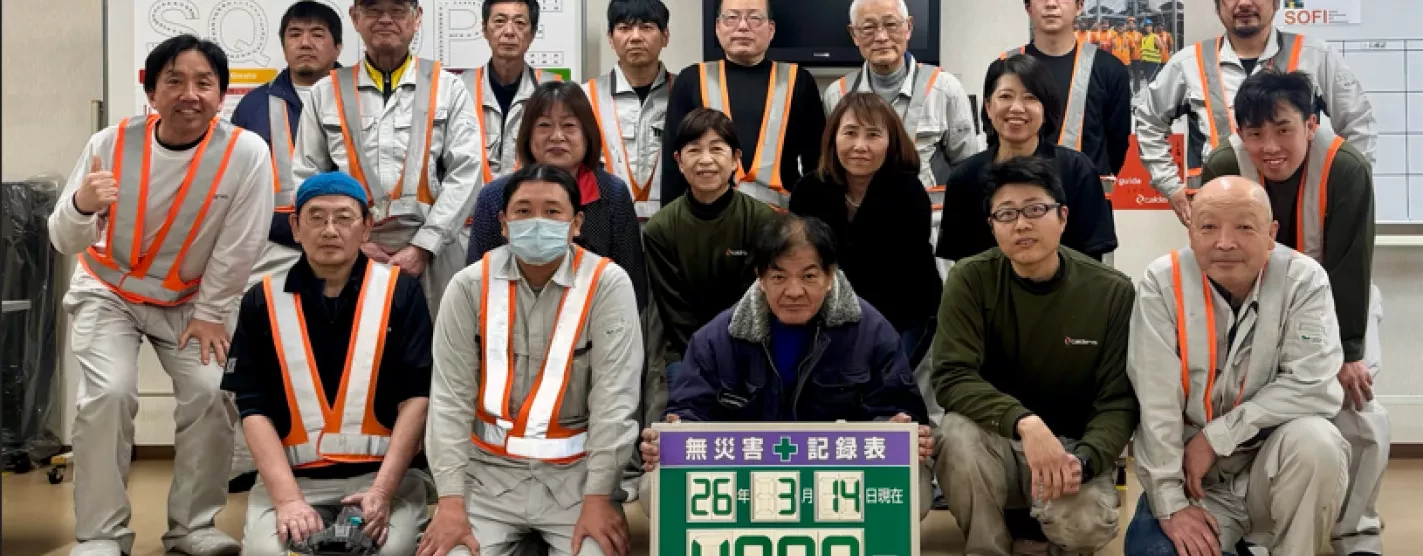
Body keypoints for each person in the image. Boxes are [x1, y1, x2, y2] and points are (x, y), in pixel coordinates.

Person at [49, 35, 274, 556]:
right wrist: (82, 204)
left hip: (193, 302)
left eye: (203, 83)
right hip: (109, 291)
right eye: (174, 81)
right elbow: (63, 238)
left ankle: (193, 526)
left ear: (222, 94)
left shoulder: (246, 153)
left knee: (212, 392)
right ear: (151, 91)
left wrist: (213, 312)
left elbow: (241, 242)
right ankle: (101, 535)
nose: (189, 94)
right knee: (108, 396)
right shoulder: (110, 143)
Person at [1199, 70, 1385, 556]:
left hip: (1337, 297)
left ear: (1310, 124)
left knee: (1356, 408)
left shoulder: (1346, 168)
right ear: (1240, 131)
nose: (1270, 146)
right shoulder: (1224, 164)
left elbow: (1351, 264)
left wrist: (1348, 351)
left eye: (1283, 129)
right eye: (1255, 133)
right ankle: (1264, 524)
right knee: (1256, 399)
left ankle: (1356, 533)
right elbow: (1215, 251)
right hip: (1253, 298)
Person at [637, 213, 936, 514]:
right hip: (747, 476)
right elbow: (690, 410)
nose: (794, 291)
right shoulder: (717, 338)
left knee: (916, 489)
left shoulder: (871, 331)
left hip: (841, 476)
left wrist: (898, 429)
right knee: (655, 489)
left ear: (830, 276)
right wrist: (674, 433)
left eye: (809, 276)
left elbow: (898, 407)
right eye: (779, 277)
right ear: (760, 277)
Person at [421, 164, 643, 556]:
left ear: (576, 223)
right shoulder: (469, 286)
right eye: (523, 211)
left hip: (578, 481)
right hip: (486, 478)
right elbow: (449, 400)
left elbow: (615, 398)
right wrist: (450, 500)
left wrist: (599, 496)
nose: (537, 221)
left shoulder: (607, 284)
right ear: (503, 224)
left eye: (552, 211)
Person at [1123, 176, 1350, 556]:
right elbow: (1155, 400)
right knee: (1157, 552)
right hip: (1196, 483)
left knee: (1318, 441)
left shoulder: (1304, 280)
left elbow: (1313, 385)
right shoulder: (1162, 283)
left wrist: (1217, 437)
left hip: (1272, 473)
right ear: (1191, 231)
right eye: (1208, 227)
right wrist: (1171, 504)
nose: (1225, 243)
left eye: (1244, 227)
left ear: (1271, 233)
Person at [930, 156, 1136, 555]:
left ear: (1062, 216)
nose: (1022, 224)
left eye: (1035, 210)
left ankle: (1047, 541)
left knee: (1085, 526)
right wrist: (1025, 422)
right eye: (1006, 214)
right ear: (992, 226)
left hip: (1072, 448)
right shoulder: (969, 279)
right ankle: (987, 548)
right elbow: (952, 375)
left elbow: (1118, 400)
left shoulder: (1112, 292)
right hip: (999, 441)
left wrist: (1087, 459)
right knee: (955, 433)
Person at [222, 172, 432, 556]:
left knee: (390, 551)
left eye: (344, 218)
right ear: (295, 227)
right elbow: (252, 407)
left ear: (366, 227)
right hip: (293, 480)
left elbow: (417, 398)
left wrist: (383, 491)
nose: (330, 230)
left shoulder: (401, 292)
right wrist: (288, 500)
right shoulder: (261, 299)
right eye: (316, 217)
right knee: (267, 553)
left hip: (383, 478)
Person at [293, 0, 482, 313]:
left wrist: (424, 246)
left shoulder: (448, 88)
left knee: (431, 338)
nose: (384, 19)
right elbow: (308, 178)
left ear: (417, 17)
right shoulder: (325, 92)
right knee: (356, 337)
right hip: (348, 253)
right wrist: (355, 243)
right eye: (373, 9)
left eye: (397, 10)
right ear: (355, 17)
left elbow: (467, 172)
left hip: (432, 252)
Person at [227, 0, 345, 495]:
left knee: (343, 350)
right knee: (257, 352)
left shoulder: (355, 96)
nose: (306, 43)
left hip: (342, 246)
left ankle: (336, 452)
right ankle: (250, 461)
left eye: (318, 34)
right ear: (282, 44)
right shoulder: (254, 105)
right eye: (296, 34)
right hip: (271, 247)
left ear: (337, 46)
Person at [1135, 0, 1377, 226]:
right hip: (1219, 209)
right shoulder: (1188, 64)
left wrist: (1348, 190)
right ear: (1218, 6)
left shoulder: (1315, 56)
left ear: (1276, 2)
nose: (1243, 3)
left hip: (1303, 210)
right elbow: (1148, 122)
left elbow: (1358, 125)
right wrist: (1171, 187)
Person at [789, 93, 941, 368]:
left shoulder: (908, 192)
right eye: (850, 133)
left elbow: (906, 280)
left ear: (890, 141)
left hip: (903, 315)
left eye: (873, 135)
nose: (860, 146)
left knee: (882, 379)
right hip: (825, 314)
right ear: (833, 137)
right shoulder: (808, 190)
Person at [467, 82, 648, 311]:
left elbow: (631, 283)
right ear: (527, 135)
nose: (557, 136)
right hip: (508, 316)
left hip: (594, 317)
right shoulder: (495, 195)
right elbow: (477, 279)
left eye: (569, 125)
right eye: (544, 125)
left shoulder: (612, 193)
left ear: (587, 134)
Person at [936, 55, 1117, 263]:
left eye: (1030, 97)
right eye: (1005, 96)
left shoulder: (1077, 170)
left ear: (1045, 108)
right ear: (988, 107)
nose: (1016, 108)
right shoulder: (964, 178)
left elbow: (1091, 259)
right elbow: (960, 261)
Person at [660, 0, 827, 209]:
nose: (742, 26)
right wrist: (670, 221)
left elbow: (817, 164)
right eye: (732, 17)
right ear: (717, 27)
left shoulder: (799, 81)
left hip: (781, 219)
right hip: (708, 217)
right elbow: (673, 163)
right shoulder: (691, 81)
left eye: (754, 17)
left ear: (771, 29)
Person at [644, 108, 776, 368]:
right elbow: (675, 313)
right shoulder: (660, 229)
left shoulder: (763, 221)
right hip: (687, 353)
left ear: (735, 159)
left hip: (753, 347)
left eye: (716, 149)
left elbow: (756, 300)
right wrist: (704, 361)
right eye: (694, 150)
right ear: (679, 161)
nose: (706, 160)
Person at [824, 0, 981, 212]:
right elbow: (830, 167)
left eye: (891, 24)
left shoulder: (945, 89)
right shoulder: (837, 94)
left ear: (909, 27)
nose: (881, 37)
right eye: (869, 27)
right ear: (854, 34)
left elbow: (968, 167)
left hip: (930, 220)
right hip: (860, 220)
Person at [1004, 0, 1132, 203]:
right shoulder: (1004, 68)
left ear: (1079, 6)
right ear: (1028, 7)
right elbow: (995, 137)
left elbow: (1117, 143)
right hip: (1019, 204)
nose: (1051, 4)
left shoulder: (1110, 70)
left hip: (1087, 204)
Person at [583, 0, 675, 220]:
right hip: (605, 222)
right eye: (624, 28)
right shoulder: (586, 97)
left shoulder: (685, 92)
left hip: (671, 223)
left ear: (665, 36)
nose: (635, 37)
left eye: (646, 27)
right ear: (610, 38)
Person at [462, 0, 564, 184]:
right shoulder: (460, 88)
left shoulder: (554, 90)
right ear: (484, 29)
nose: (509, 31)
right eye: (500, 21)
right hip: (471, 200)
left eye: (519, 23)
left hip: (533, 197)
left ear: (533, 33)